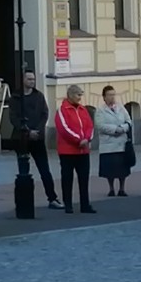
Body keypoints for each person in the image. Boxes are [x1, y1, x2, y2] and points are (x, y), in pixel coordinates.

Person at [8, 71, 61, 208]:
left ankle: (52, 198)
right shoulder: (15, 97)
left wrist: (37, 130)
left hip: (37, 138)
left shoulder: (39, 96)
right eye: (29, 79)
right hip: (22, 139)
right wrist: (27, 131)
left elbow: (45, 114)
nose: (32, 81)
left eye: (33, 79)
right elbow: (13, 118)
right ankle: (23, 202)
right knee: (23, 171)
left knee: (44, 170)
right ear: (23, 80)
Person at [55, 85, 96, 214]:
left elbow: (90, 125)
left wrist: (87, 139)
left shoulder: (83, 110)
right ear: (71, 95)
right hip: (68, 151)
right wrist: (79, 140)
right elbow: (64, 129)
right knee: (67, 178)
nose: (80, 98)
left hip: (83, 151)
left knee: (84, 178)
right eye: (78, 95)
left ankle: (85, 204)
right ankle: (68, 204)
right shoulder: (62, 110)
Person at [94, 85, 132, 197]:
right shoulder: (100, 110)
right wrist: (115, 129)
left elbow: (129, 121)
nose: (112, 97)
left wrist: (123, 128)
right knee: (110, 169)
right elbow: (100, 125)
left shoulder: (121, 108)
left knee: (122, 168)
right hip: (108, 144)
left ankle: (122, 188)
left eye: (113, 95)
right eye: (109, 95)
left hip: (121, 143)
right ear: (104, 97)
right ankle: (111, 189)